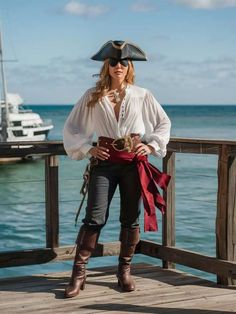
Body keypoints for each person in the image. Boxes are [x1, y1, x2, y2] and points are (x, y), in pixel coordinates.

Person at [63, 40, 171, 298]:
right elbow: (72, 127)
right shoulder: (93, 95)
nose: (118, 66)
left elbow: (163, 123)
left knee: (130, 218)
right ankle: (78, 274)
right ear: (107, 66)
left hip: (134, 164)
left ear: (129, 66)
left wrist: (151, 145)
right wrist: (88, 148)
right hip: (104, 164)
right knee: (94, 217)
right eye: (113, 62)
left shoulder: (142, 94)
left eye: (123, 62)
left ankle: (124, 271)